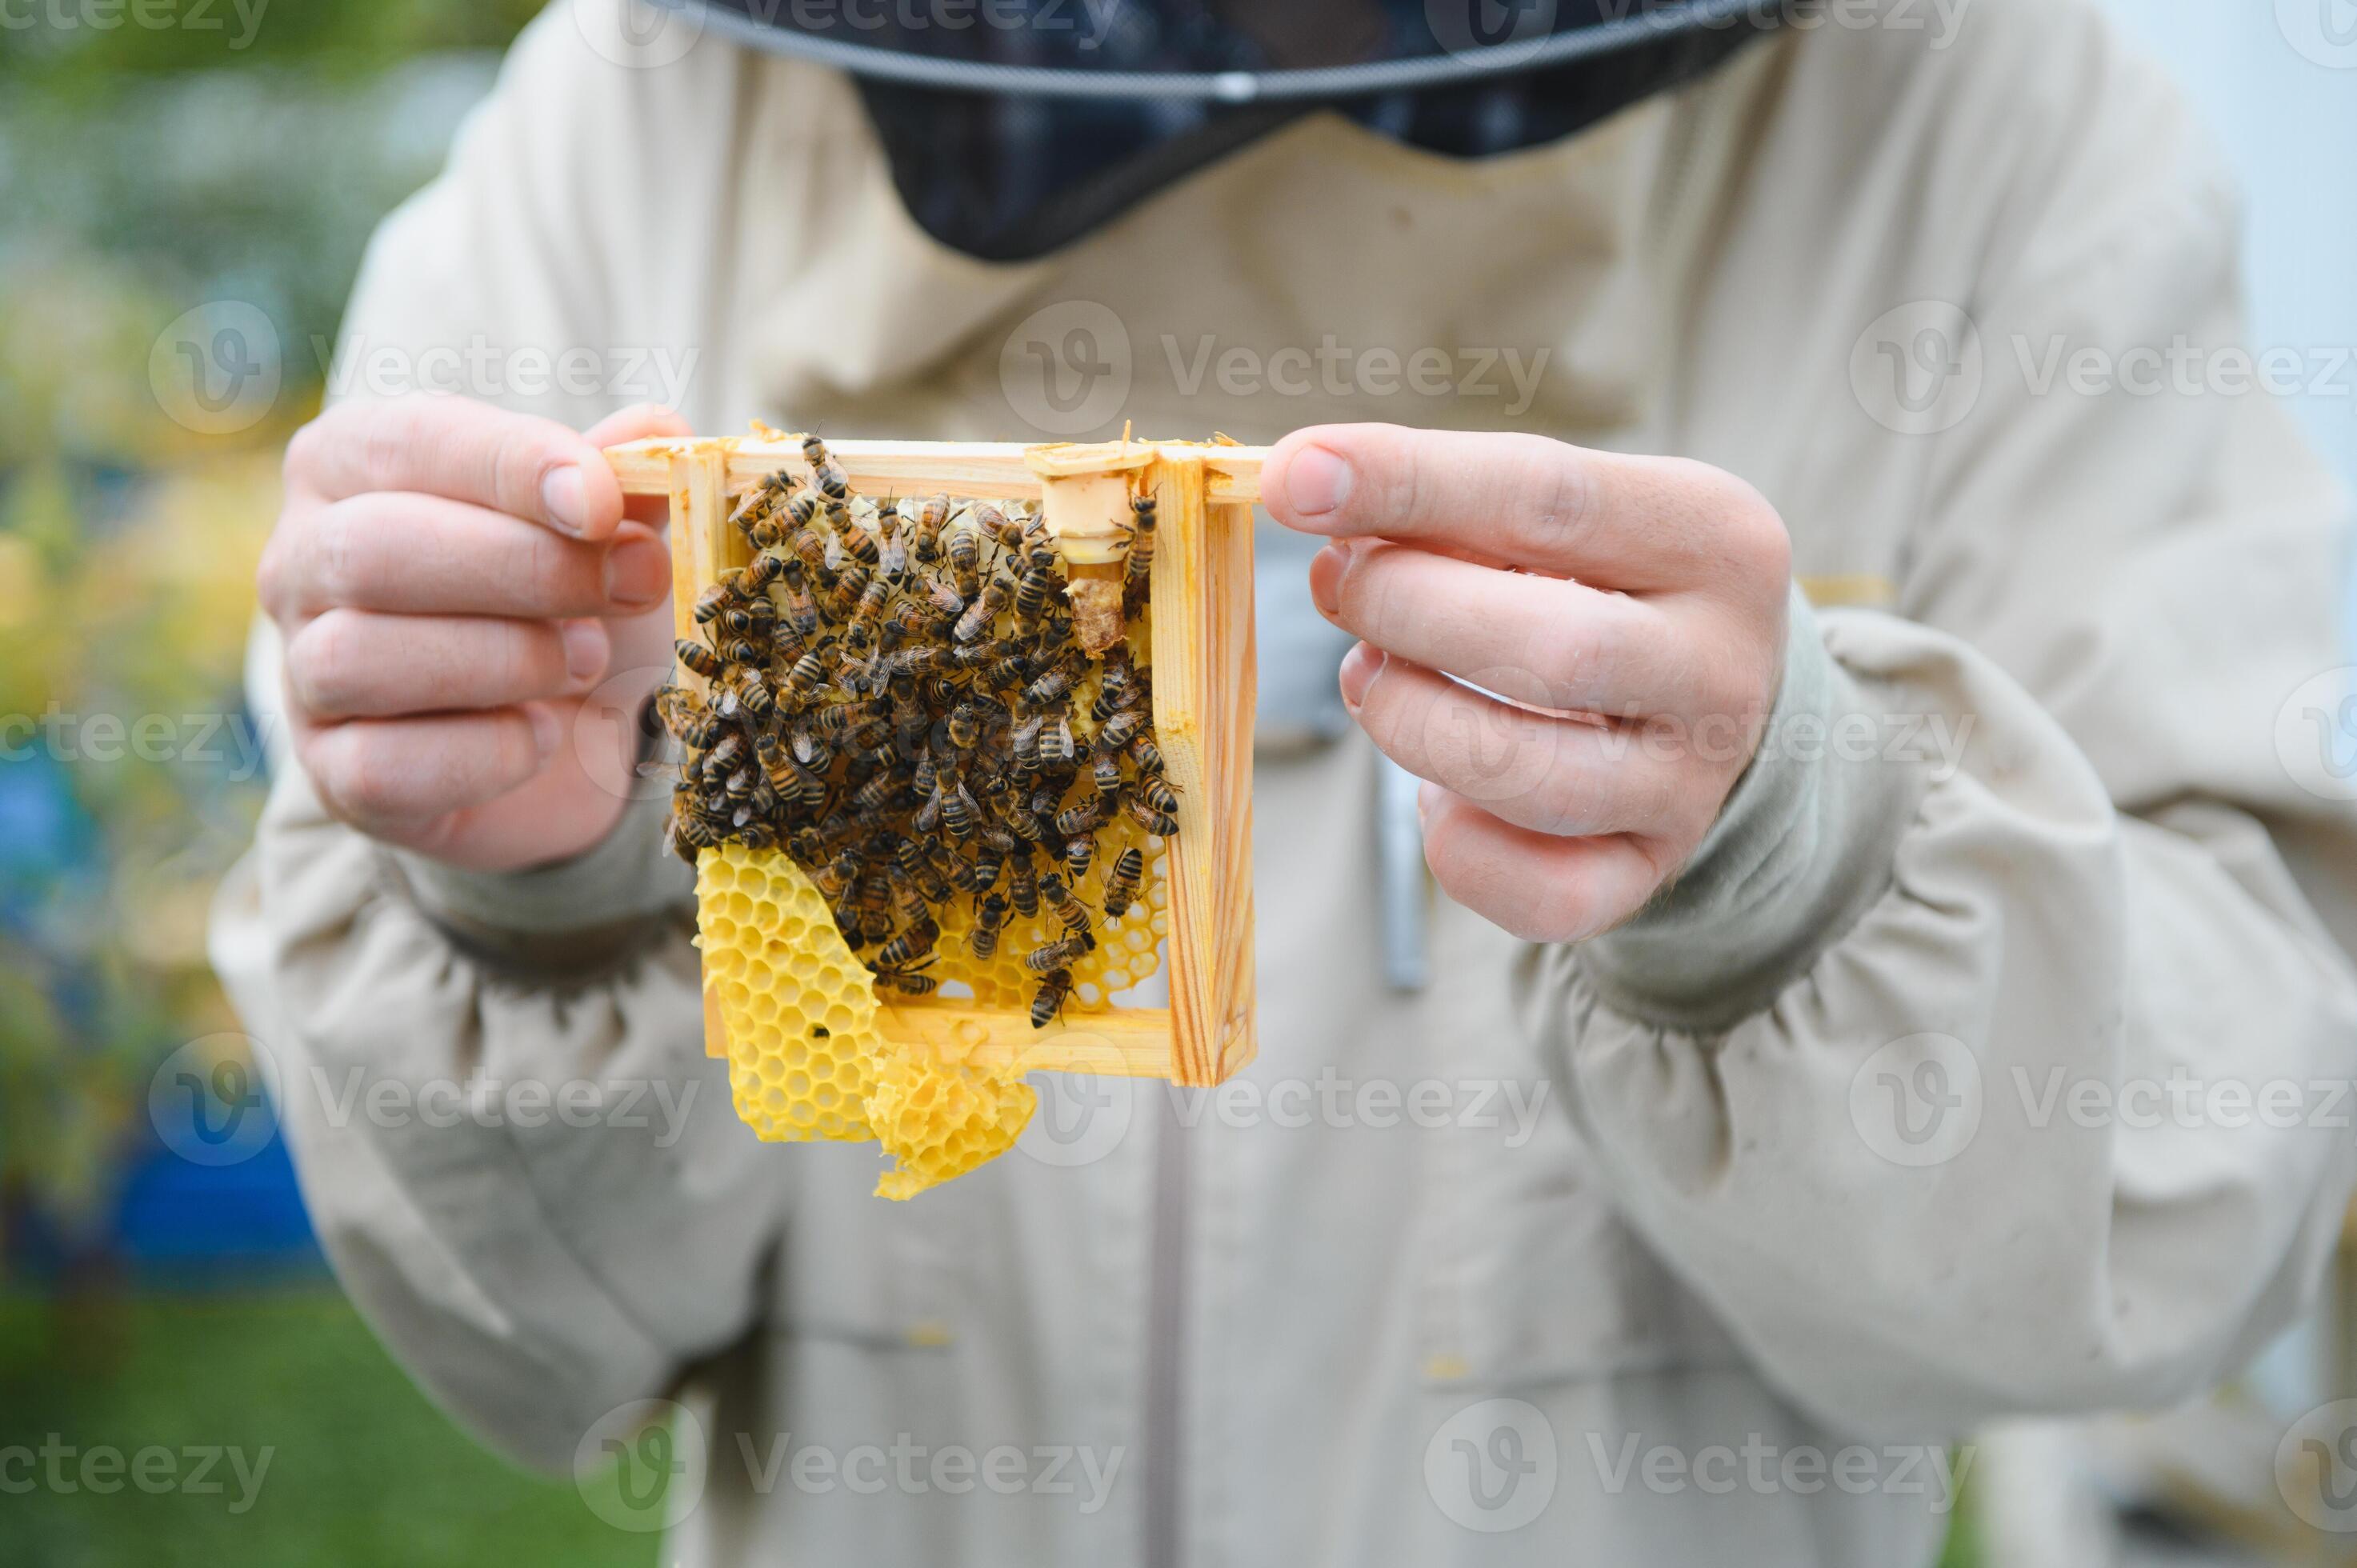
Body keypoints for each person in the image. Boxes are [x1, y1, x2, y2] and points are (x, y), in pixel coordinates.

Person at [210, 1, 2357, 1562]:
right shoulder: (633, 117)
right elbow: (528, 1334)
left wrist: (1806, 849)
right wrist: (540, 886)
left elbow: (2178, 1202)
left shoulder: (1985, 126)